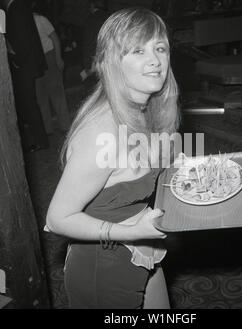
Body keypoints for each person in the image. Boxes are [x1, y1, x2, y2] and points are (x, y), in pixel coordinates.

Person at [46, 7, 180, 309]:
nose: (155, 60)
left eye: (160, 48)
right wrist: (131, 232)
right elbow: (57, 218)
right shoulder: (101, 131)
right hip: (102, 269)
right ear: (112, 62)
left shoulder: (146, 111)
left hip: (141, 249)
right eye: (137, 50)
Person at [3, 0, 49, 152]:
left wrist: (17, 60)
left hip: (24, 65)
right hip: (27, 63)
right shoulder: (18, 7)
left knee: (29, 104)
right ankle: (40, 139)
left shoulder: (15, 8)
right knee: (30, 104)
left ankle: (40, 141)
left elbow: (22, 39)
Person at [32, 1, 71, 135]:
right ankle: (47, 129)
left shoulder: (40, 19)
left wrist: (58, 58)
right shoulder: (22, 24)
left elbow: (55, 38)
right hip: (36, 61)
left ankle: (65, 125)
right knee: (41, 96)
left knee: (56, 91)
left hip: (49, 57)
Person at [81, 0, 108, 95]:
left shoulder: (91, 19)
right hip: (107, 57)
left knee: (94, 90)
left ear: (92, 5)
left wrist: (88, 64)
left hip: (95, 59)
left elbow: (89, 42)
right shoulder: (108, 17)